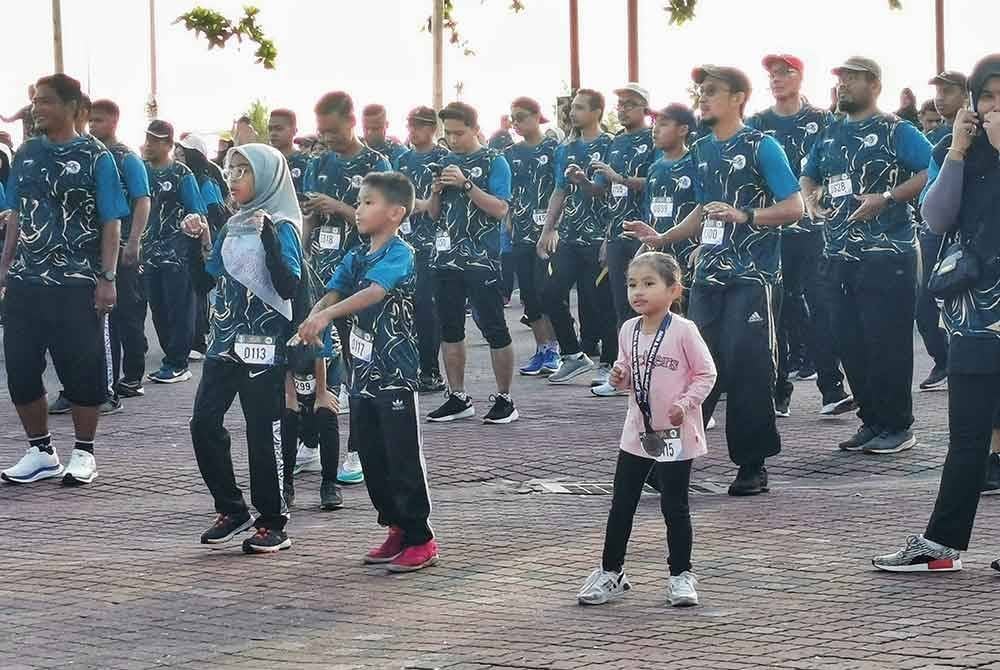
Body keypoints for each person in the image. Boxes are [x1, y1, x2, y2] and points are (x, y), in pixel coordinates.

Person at [625, 65, 804, 496]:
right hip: (707, 276)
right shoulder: (702, 150)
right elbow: (704, 210)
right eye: (700, 92)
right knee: (692, 369)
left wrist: (746, 216)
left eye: (712, 92)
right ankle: (671, 455)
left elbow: (796, 207)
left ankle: (752, 465)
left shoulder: (763, 147)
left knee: (748, 370)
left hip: (753, 278)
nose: (702, 99)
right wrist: (664, 238)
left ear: (738, 97)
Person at [872, 55, 1000, 573]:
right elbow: (935, 216)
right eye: (987, 96)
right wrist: (960, 151)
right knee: (968, 435)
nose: (995, 106)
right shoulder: (957, 148)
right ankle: (942, 543)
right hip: (974, 316)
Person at [295, 171, 438, 573]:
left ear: (396, 212)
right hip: (363, 374)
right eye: (358, 202)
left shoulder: (400, 253)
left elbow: (373, 292)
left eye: (368, 203)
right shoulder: (356, 253)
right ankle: (394, 526)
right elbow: (334, 290)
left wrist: (327, 316)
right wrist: (312, 316)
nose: (358, 209)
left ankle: (420, 537)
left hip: (396, 372)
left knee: (402, 456)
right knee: (372, 455)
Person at [0, 73, 128, 486]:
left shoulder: (96, 157)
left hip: (76, 282)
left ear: (74, 108)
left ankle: (84, 452)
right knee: (20, 368)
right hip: (25, 281)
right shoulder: (27, 154)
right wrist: (4, 267)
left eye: (47, 102)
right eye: (35, 101)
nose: (37, 108)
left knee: (80, 371)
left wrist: (107, 278)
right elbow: (17, 216)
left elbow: (112, 222)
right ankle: (41, 451)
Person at [801, 57, 932, 455]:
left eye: (853, 79)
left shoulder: (897, 130)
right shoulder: (829, 133)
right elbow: (809, 173)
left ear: (875, 85)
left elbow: (933, 169)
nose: (844, 86)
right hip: (837, 253)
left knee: (886, 344)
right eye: (841, 79)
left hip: (887, 254)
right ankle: (872, 421)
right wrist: (810, 197)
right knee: (849, 341)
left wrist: (888, 197)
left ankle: (898, 425)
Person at [576, 252, 716, 607]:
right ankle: (611, 572)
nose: (639, 292)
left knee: (675, 505)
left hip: (675, 435)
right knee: (622, 503)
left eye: (649, 284)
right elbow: (626, 372)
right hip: (638, 433)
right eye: (632, 284)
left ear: (673, 290)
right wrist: (619, 377)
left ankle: (681, 575)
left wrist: (685, 404)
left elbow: (706, 373)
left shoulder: (684, 330)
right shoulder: (628, 330)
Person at [190, 143, 303, 554]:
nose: (232, 178)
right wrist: (197, 242)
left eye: (242, 171)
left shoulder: (284, 224)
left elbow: (289, 285)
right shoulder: (233, 223)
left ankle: (273, 521)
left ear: (267, 176)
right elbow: (208, 280)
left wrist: (271, 240)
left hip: (262, 344)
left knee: (262, 430)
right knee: (203, 423)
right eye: (230, 170)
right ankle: (231, 509)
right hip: (224, 343)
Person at [746, 54, 853, 418]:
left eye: (784, 72)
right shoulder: (757, 124)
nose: (776, 79)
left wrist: (821, 194)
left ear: (800, 77)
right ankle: (778, 390)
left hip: (814, 231)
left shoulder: (824, 121)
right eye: (772, 74)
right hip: (772, 232)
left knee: (822, 305)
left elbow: (838, 165)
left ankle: (832, 388)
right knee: (778, 309)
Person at [300, 91, 392, 484]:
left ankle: (356, 449)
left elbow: (385, 219)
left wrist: (337, 206)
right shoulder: (316, 162)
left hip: (360, 273)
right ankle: (314, 440)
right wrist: (301, 254)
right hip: (321, 271)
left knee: (358, 363)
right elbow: (306, 216)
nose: (327, 139)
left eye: (333, 131)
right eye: (321, 132)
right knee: (317, 357)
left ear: (351, 121)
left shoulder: (377, 164)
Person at [423, 102, 517, 425]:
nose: (452, 139)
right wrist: (436, 192)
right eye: (447, 133)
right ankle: (458, 396)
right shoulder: (443, 161)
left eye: (458, 133)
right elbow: (434, 214)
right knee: (449, 329)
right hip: (445, 258)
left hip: (482, 261)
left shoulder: (496, 161)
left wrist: (466, 184)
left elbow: (500, 209)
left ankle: (505, 398)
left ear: (476, 129)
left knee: (494, 328)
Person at [537, 89, 616, 385]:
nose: (573, 113)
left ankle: (608, 363)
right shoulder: (565, 149)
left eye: (581, 108)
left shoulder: (611, 145)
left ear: (597, 111)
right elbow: (559, 190)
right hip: (570, 235)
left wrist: (584, 181)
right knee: (549, 292)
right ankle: (572, 355)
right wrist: (547, 229)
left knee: (600, 302)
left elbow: (607, 190)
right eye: (573, 108)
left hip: (600, 236)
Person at [88, 99, 152, 408]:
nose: (92, 126)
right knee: (92, 321)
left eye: (98, 121)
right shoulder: (89, 154)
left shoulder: (127, 159)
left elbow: (143, 200)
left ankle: (125, 380)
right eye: (89, 120)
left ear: (114, 121)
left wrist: (135, 240)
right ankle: (88, 384)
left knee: (123, 316)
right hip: (93, 250)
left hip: (122, 247)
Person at [141, 120, 207, 383]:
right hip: (149, 255)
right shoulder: (141, 172)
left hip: (178, 256)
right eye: (148, 139)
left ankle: (178, 363)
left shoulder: (182, 174)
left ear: (169, 145)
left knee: (179, 309)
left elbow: (197, 212)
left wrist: (205, 244)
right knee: (157, 309)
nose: (149, 144)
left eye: (156, 140)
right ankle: (171, 359)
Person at [914, 70, 968, 391]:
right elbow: (930, 189)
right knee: (924, 300)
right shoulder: (938, 142)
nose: (940, 97)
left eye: (948, 91)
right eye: (937, 91)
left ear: (966, 94)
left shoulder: (980, 133)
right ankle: (942, 360)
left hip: (967, 236)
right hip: (933, 231)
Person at [505, 96, 561, 377]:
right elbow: (508, 194)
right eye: (513, 118)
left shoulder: (554, 149)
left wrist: (555, 225)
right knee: (528, 294)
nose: (517, 123)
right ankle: (542, 347)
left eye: (522, 117)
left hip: (547, 234)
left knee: (546, 290)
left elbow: (562, 189)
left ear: (537, 116)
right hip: (521, 232)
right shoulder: (510, 153)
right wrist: (509, 221)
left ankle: (557, 347)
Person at [396, 105, 449, 392]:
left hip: (436, 245)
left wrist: (418, 205)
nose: (413, 130)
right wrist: (418, 205)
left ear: (432, 128)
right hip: (404, 243)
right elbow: (396, 197)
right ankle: (409, 366)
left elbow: (438, 205)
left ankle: (430, 369)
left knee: (426, 308)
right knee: (405, 308)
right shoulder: (401, 159)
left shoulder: (443, 158)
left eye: (419, 125)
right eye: (410, 125)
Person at [177, 133, 230, 362]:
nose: (178, 157)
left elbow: (217, 213)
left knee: (198, 292)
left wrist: (206, 240)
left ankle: (198, 339)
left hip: (204, 242)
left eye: (183, 154)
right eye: (177, 153)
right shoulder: (178, 177)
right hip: (185, 242)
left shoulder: (206, 181)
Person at [642, 104, 699, 282]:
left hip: (688, 258)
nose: (655, 129)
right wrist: (643, 249)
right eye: (654, 124)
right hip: (657, 259)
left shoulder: (696, 164)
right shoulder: (654, 168)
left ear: (683, 130)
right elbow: (649, 216)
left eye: (663, 124)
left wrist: (704, 246)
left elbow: (707, 209)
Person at [268, 108, 311, 202]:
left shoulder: (307, 163)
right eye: (270, 129)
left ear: (294, 131)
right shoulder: (264, 163)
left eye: (278, 129)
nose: (273, 133)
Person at [362, 104, 407, 168]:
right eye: (366, 128)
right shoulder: (355, 150)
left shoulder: (400, 153)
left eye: (375, 128)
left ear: (386, 125)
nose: (369, 133)